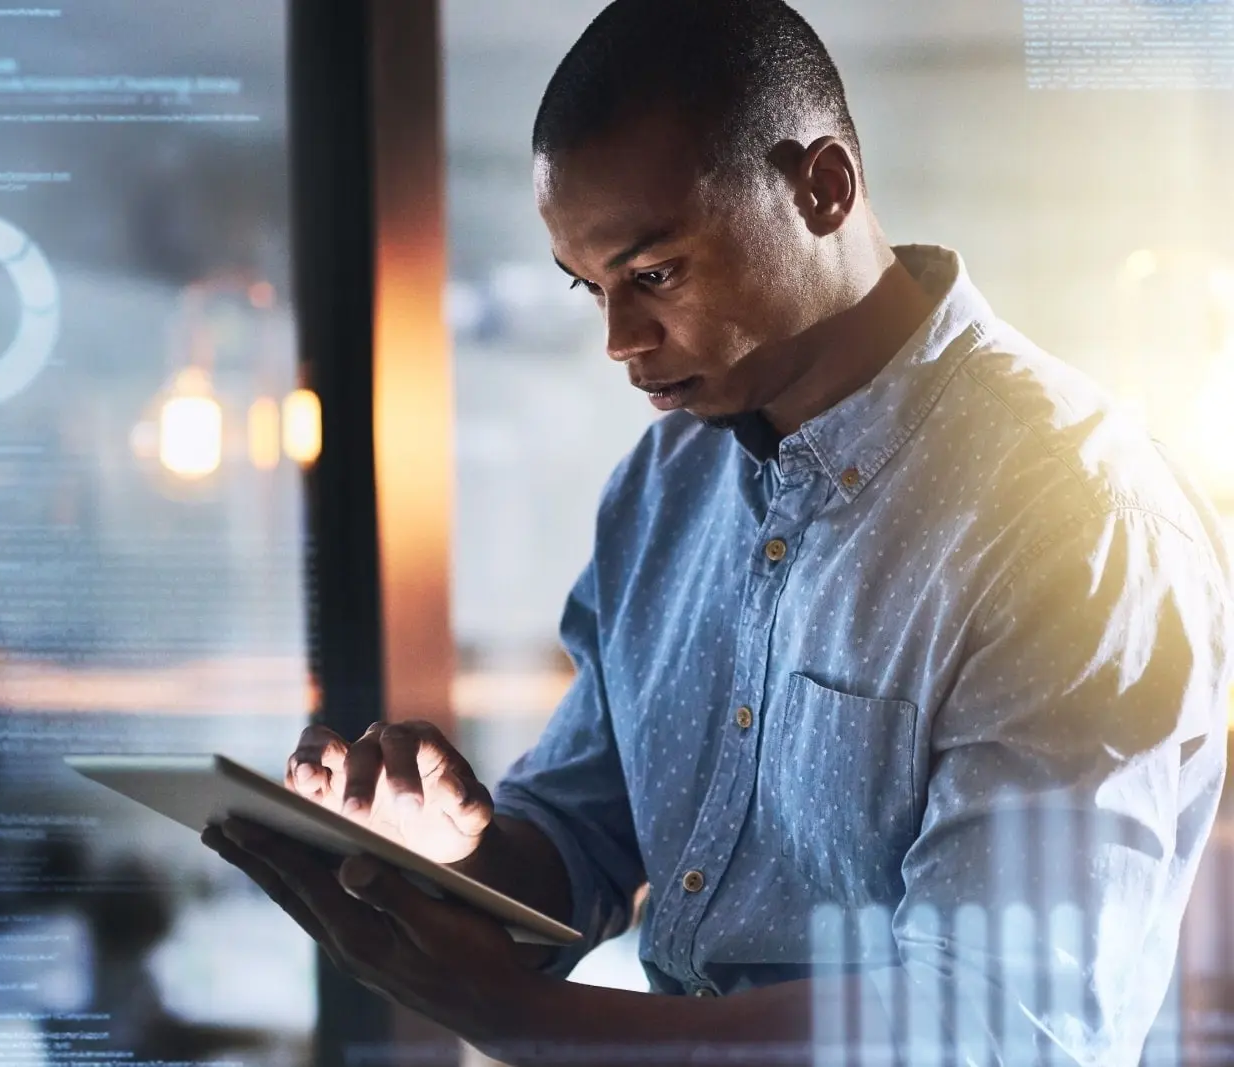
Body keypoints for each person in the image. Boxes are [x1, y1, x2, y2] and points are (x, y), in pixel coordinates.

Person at [203, 1, 1234, 1063]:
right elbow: (576, 840)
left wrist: (519, 1018)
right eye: (589, 286)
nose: (618, 339)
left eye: (651, 274)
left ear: (821, 189)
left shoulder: (1075, 519)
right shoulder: (664, 484)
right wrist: (450, 850)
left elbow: (999, 1029)